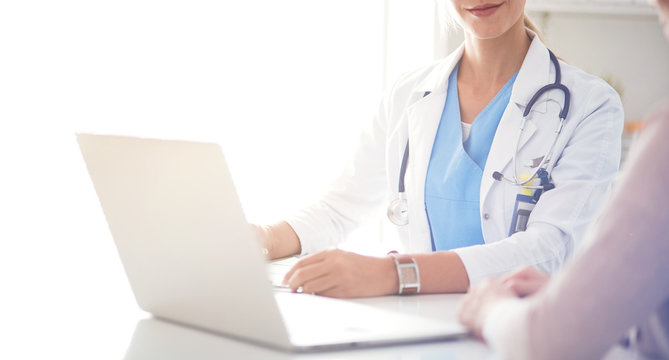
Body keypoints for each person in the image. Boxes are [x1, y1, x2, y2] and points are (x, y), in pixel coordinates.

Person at [257, 0, 624, 298]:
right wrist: (259, 240)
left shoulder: (590, 104)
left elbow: (549, 250)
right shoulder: (409, 93)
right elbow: (337, 209)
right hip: (425, 328)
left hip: (523, 333)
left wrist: (394, 274)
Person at [456, 1, 669, 358]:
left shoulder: (599, 105)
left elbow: (548, 341)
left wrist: (490, 307)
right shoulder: (411, 92)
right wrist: (575, 302)